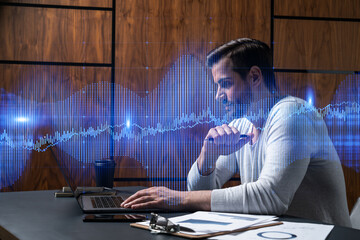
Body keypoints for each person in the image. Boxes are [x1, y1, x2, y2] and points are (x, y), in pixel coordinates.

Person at [121, 38, 351, 227]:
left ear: (254, 77)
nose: (218, 96)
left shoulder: (293, 115)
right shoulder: (242, 125)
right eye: (217, 86)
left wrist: (179, 199)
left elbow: (271, 197)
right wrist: (207, 157)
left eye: (226, 84)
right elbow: (200, 192)